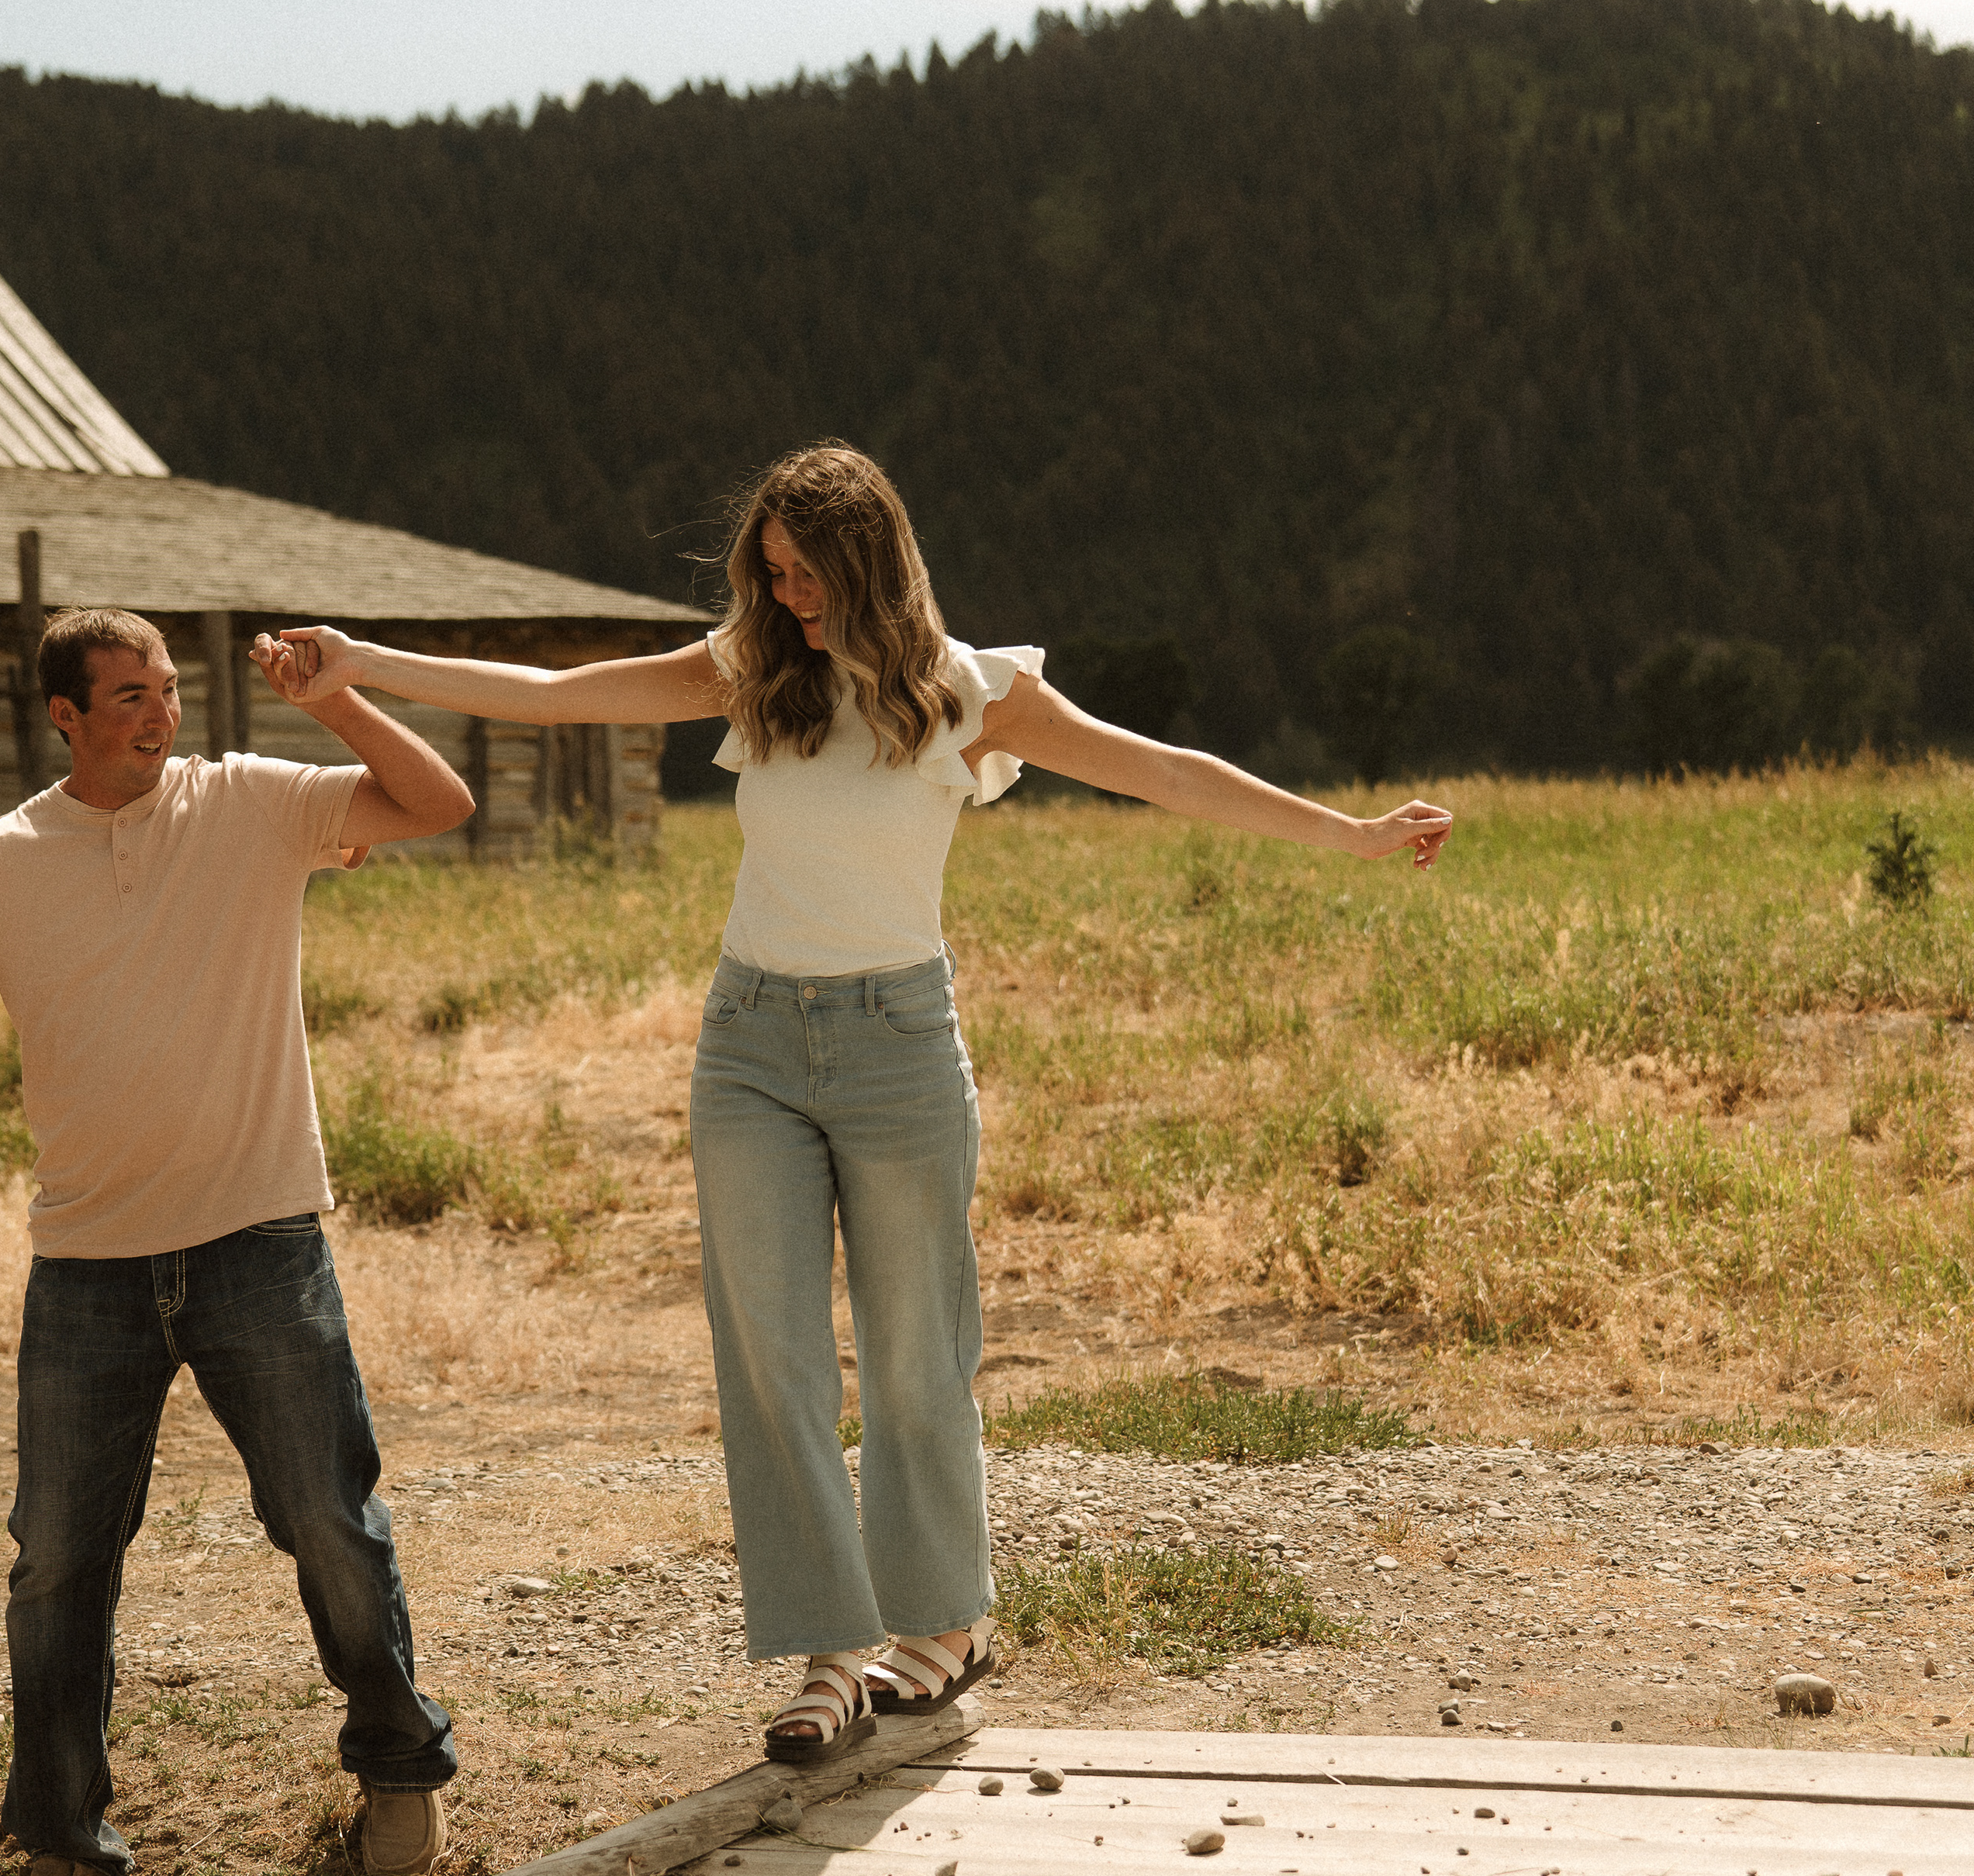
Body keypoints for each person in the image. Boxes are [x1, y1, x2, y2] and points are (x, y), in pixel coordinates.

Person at [258, 443, 1451, 1769]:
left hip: (898, 1044)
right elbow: (558, 695)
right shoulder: (750, 674)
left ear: (871, 565)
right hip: (751, 1042)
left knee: (911, 1349)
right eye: (770, 573)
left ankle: (942, 1626)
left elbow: (1163, 770)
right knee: (769, 1352)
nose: (789, 597)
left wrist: (1346, 833)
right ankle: (829, 1652)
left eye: (809, 575)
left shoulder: (972, 696)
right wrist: (364, 663)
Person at [0, 604, 472, 1876]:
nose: (158, 712)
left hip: (260, 1238)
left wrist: (337, 704)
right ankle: (69, 1851)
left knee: (325, 1515)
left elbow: (439, 799)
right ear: (64, 714)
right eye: (127, 693)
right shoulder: (2, 862)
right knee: (58, 1563)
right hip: (85, 1267)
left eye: (169, 689)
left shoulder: (253, 803)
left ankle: (398, 1768)